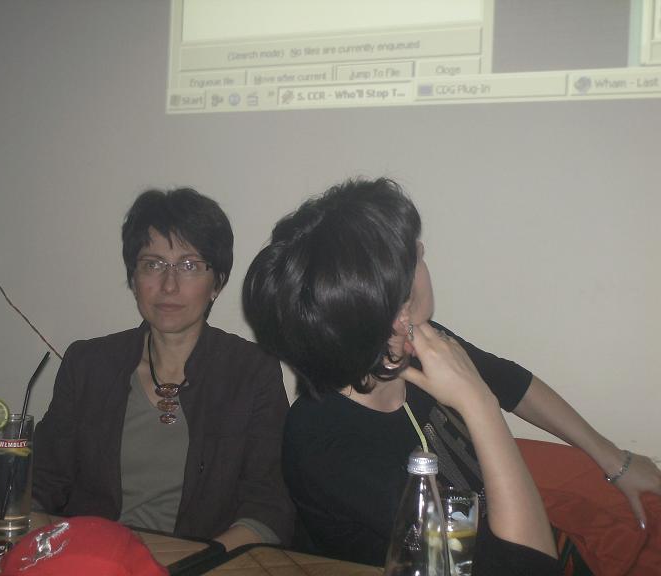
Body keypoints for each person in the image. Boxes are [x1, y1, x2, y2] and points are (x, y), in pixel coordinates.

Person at [242, 178, 570, 573]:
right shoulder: (325, 443)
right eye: (414, 257)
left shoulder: (417, 347)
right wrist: (478, 403)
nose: (422, 251)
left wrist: (614, 463)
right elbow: (529, 569)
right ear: (400, 312)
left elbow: (511, 382)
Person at [33, 187, 294, 550]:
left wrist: (198, 562)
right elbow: (40, 482)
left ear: (217, 282)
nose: (169, 285)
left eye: (189, 266)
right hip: (93, 558)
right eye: (153, 264)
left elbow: (268, 505)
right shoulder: (88, 364)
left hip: (202, 562)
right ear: (133, 278)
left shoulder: (252, 373)